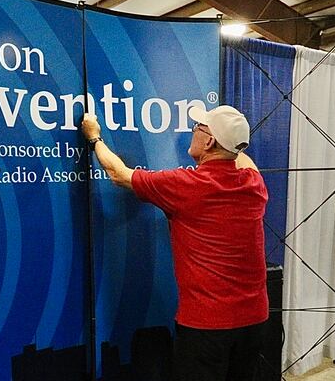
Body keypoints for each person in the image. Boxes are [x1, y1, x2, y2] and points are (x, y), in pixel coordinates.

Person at [81, 105, 269, 381]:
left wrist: (94, 136)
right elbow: (239, 157)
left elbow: (119, 174)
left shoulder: (185, 185)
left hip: (207, 327)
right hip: (255, 321)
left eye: (198, 128)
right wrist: (232, 140)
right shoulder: (254, 183)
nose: (192, 132)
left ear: (209, 141)